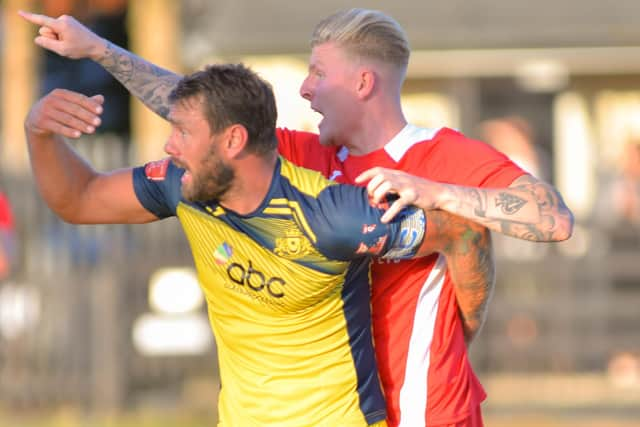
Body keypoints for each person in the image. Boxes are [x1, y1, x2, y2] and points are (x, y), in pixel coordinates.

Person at [20, 8, 574, 426]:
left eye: (317, 73)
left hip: (429, 406)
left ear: (362, 83)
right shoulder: (308, 155)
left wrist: (436, 195)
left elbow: (552, 220)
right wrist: (98, 49)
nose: (305, 88)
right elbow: (202, 114)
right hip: (354, 409)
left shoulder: (442, 155)